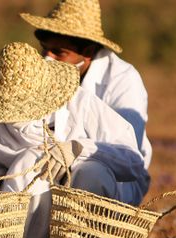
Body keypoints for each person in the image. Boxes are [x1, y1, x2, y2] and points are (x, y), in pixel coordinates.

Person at [0, 42, 149, 238]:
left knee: (93, 173)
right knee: (30, 161)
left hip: (86, 212)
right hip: (20, 225)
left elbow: (132, 162)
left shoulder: (78, 103)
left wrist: (78, 150)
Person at [20, 0, 152, 177]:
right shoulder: (41, 75)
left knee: (91, 174)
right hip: (54, 167)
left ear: (88, 52)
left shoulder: (123, 80)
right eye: (45, 49)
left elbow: (126, 153)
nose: (46, 59)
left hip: (115, 177)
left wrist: (76, 149)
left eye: (59, 52)